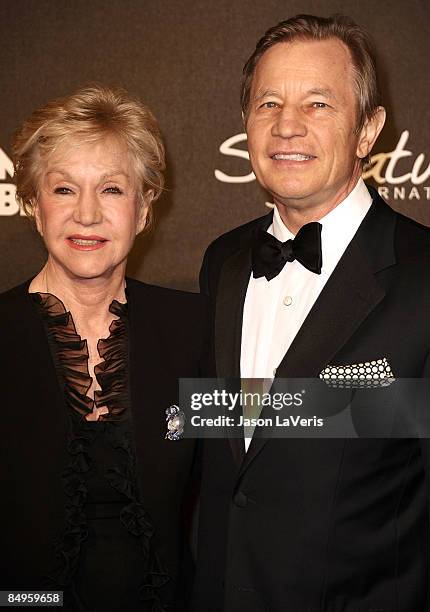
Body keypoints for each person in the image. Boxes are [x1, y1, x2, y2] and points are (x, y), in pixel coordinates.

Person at [193, 14, 430, 612]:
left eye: (318, 103)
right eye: (267, 102)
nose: (287, 125)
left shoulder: (424, 276)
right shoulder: (221, 261)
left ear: (368, 129)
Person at [0, 84, 207, 611]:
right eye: (64, 189)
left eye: (112, 189)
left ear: (142, 210)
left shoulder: (193, 330)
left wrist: (388, 398)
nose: (87, 214)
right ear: (34, 205)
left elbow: (282, 424)